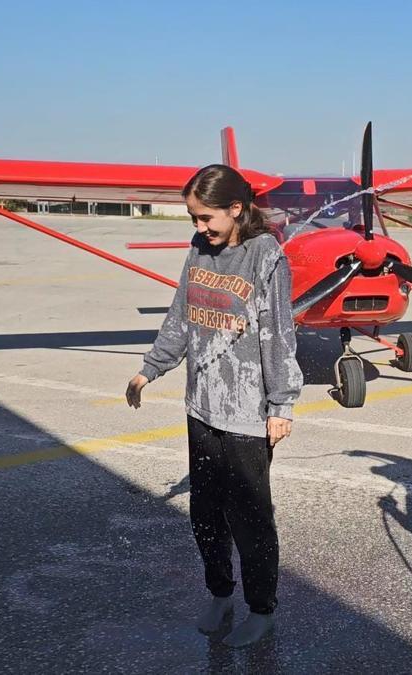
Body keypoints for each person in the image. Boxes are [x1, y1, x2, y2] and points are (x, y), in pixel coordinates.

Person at [125, 164, 303, 648]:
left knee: (250, 518)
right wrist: (150, 369)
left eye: (206, 218)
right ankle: (220, 594)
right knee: (205, 514)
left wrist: (281, 405)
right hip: (200, 408)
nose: (199, 228)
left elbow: (278, 336)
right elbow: (181, 316)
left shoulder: (266, 257)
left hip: (247, 416)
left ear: (236, 209)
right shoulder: (200, 250)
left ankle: (261, 608)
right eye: (193, 219)